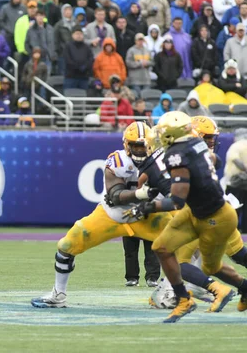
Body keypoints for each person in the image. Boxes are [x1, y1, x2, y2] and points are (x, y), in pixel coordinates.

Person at [30, 122, 172, 309]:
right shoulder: (118, 161)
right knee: (66, 245)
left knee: (187, 243)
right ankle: (58, 293)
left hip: (147, 216)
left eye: (143, 145)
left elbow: (174, 193)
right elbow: (115, 195)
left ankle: (170, 291)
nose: (139, 150)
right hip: (113, 216)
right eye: (135, 145)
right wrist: (141, 194)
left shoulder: (161, 162)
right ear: (126, 145)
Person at [127, 111, 239, 322]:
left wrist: (147, 207)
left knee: (209, 264)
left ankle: (215, 290)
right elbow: (217, 161)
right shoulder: (197, 146)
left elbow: (176, 200)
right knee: (163, 248)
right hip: (198, 211)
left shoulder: (176, 154)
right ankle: (184, 298)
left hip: (212, 216)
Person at [225, 129, 247, 232]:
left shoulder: (236, 146)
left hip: (236, 182)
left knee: (233, 208)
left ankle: (232, 229)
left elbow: (236, 160)